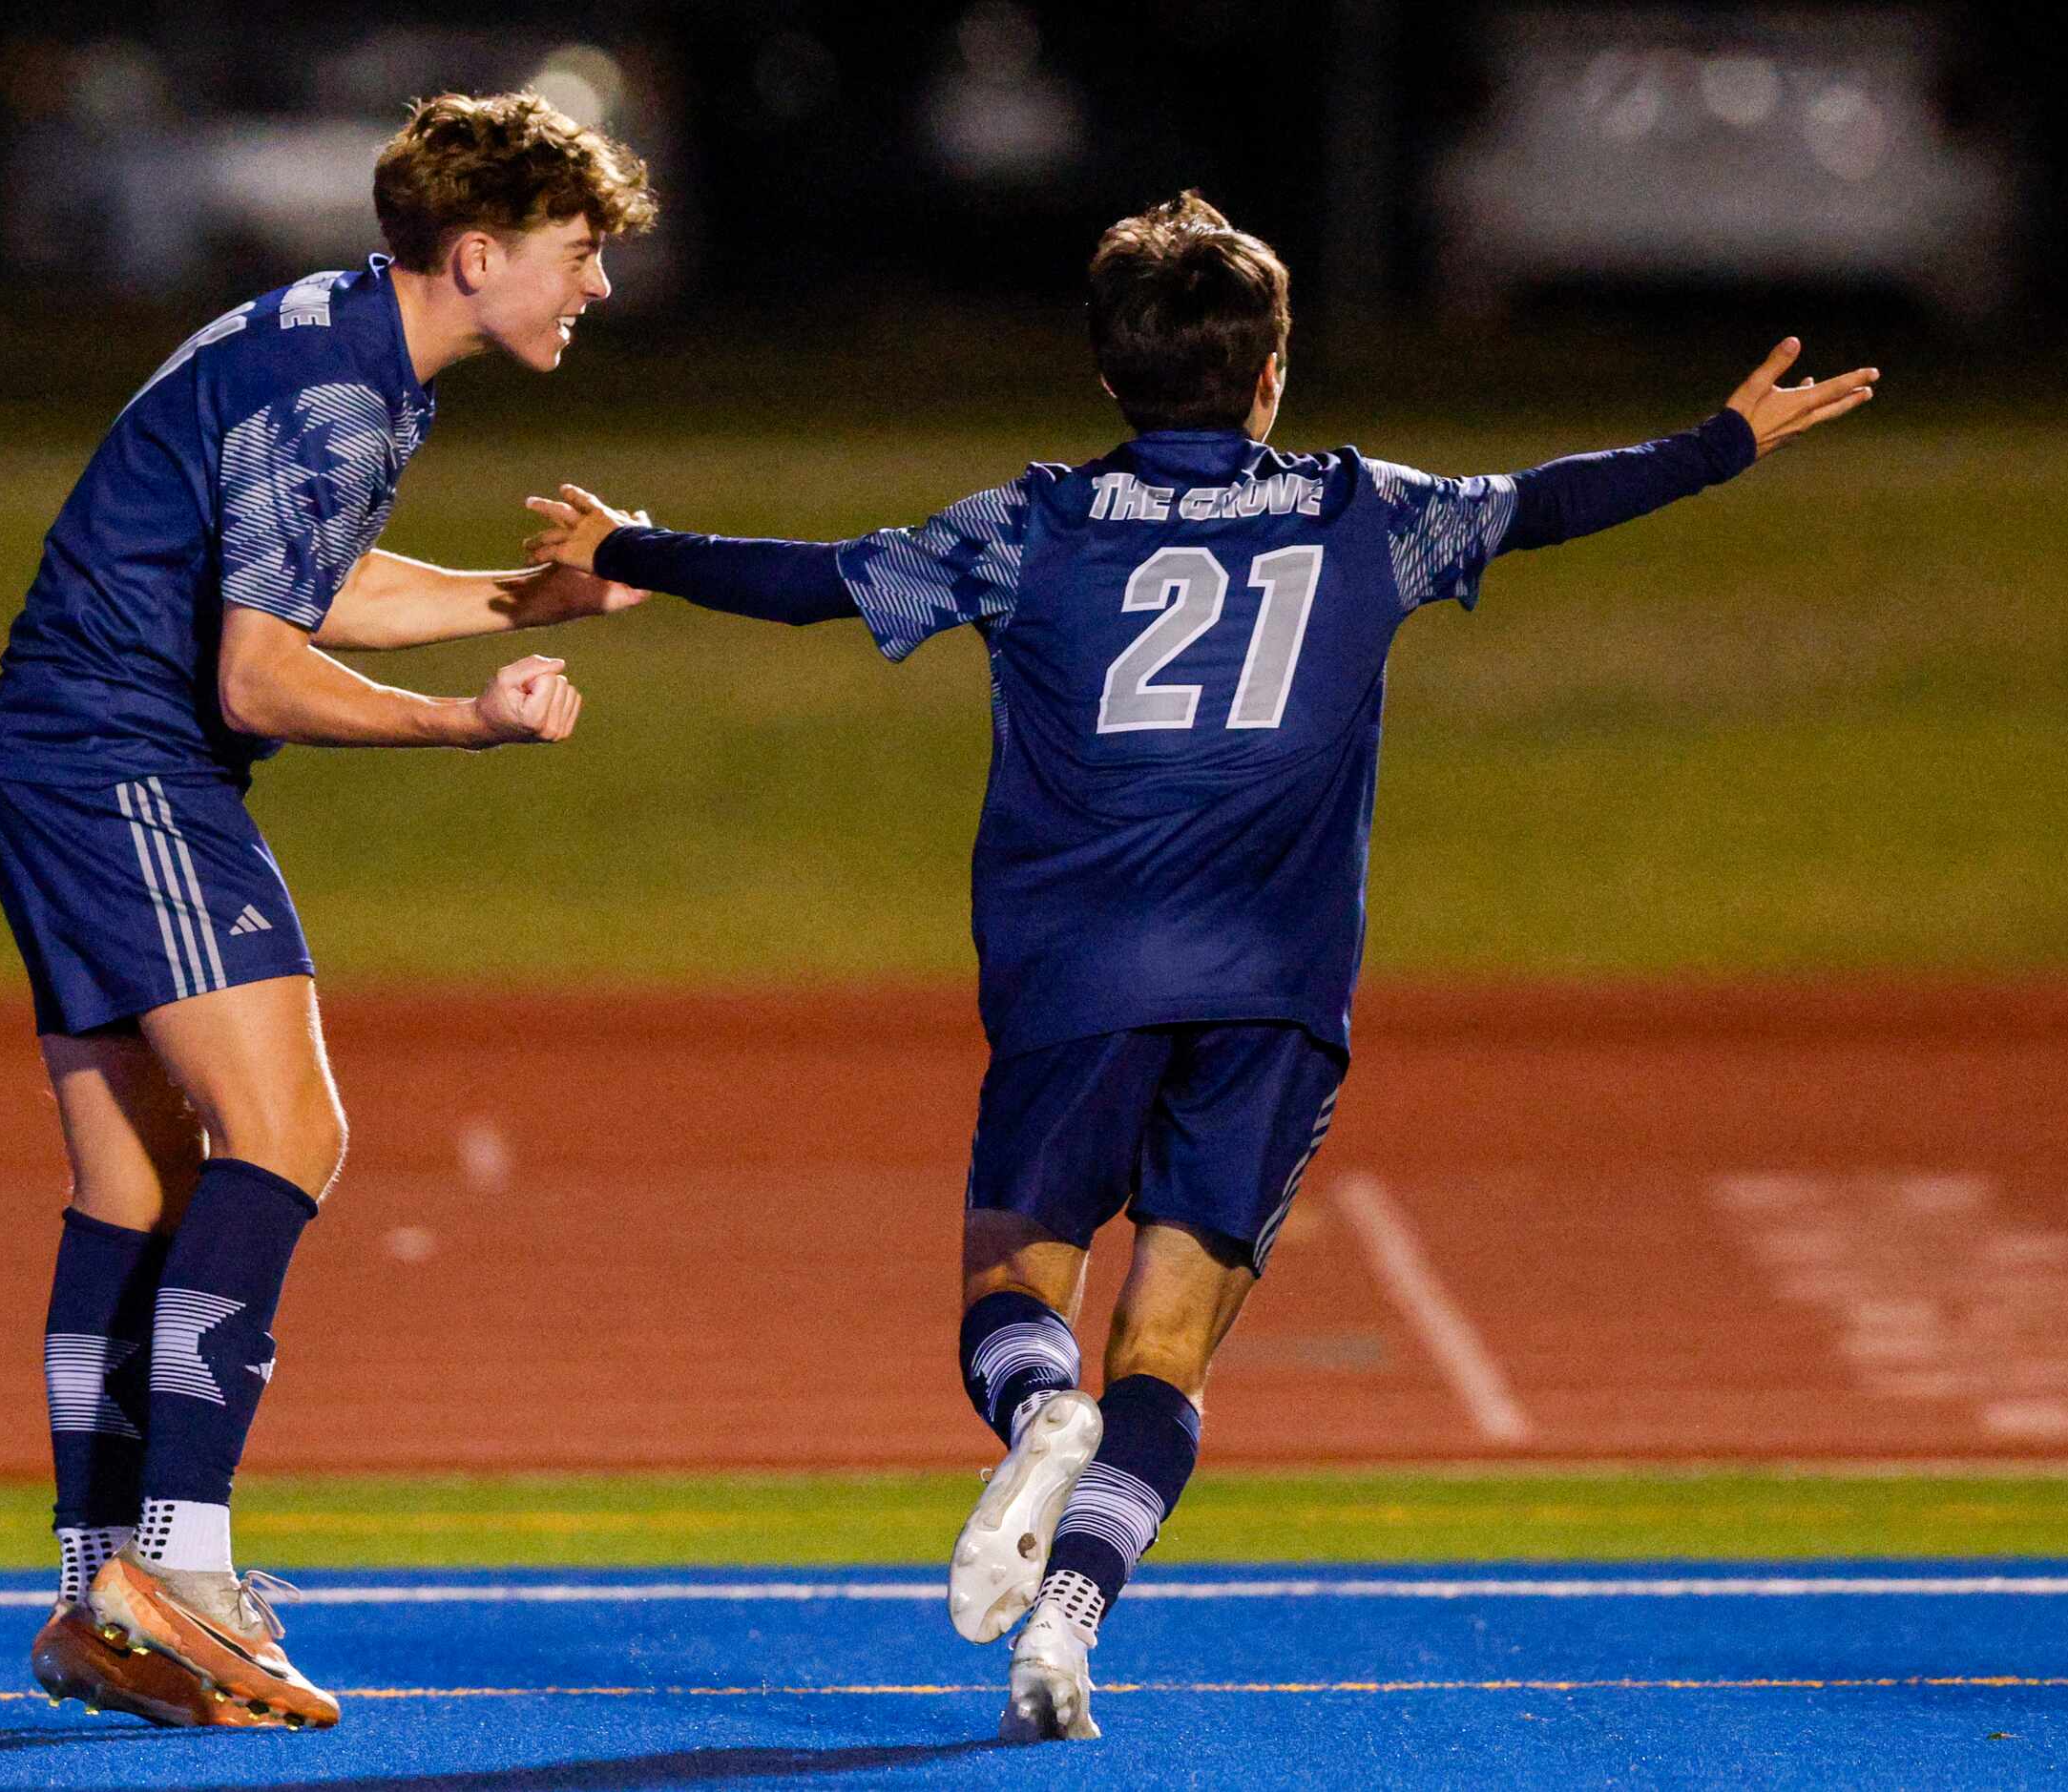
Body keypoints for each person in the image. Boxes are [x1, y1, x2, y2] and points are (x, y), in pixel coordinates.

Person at [521, 192, 1875, 1742]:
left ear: (1109, 379)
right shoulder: (1367, 511)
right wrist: (1723, 441)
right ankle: (1070, 1632)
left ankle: (1035, 1414)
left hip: (1077, 976)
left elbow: (818, 578)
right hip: (1275, 997)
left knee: (1015, 1275)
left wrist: (620, 543)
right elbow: (1548, 501)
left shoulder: (1030, 527)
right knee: (1168, 1349)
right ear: (1271, 372)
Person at [0, 91, 656, 1730]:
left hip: (52, 756)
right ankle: (180, 1567)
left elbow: (296, 576)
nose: (597, 287)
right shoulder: (345, 385)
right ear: (481, 253)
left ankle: (96, 1592)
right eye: (579, 254)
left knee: (136, 1175)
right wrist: (466, 720)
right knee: (287, 1135)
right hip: (121, 767)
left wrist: (518, 591)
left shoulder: (338, 338)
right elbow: (259, 666)